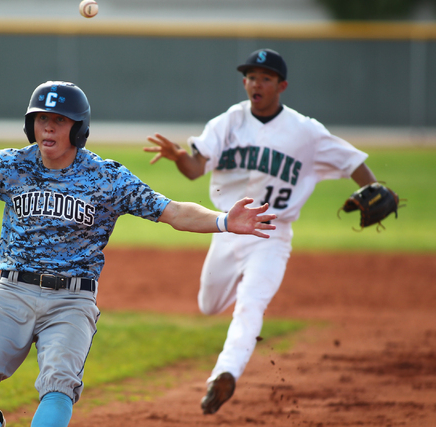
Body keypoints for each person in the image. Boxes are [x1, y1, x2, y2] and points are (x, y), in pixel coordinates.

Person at [0, 81, 277, 427]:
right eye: (41, 119)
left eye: (59, 120)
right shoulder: (12, 165)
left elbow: (172, 211)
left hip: (72, 300)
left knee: (58, 384)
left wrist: (223, 220)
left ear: (78, 129)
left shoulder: (106, 178)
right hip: (12, 293)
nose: (48, 127)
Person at [144, 49, 379, 416]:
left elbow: (354, 163)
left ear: (281, 86)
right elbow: (194, 170)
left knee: (250, 305)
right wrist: (178, 157)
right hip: (226, 228)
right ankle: (241, 304)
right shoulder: (229, 122)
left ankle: (225, 372)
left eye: (266, 78)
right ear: (244, 83)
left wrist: (374, 189)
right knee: (208, 305)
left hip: (271, 235)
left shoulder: (306, 131)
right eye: (252, 77)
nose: (257, 83)